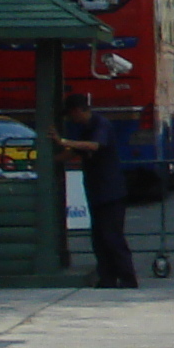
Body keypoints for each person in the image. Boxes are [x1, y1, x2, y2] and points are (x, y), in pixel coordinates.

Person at [61, 98, 135, 290]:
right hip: (97, 191)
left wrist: (64, 141)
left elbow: (95, 145)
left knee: (113, 237)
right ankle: (107, 278)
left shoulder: (101, 125)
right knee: (99, 239)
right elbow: (74, 151)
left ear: (78, 110)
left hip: (111, 191)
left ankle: (127, 278)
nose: (71, 120)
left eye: (71, 115)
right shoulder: (86, 128)